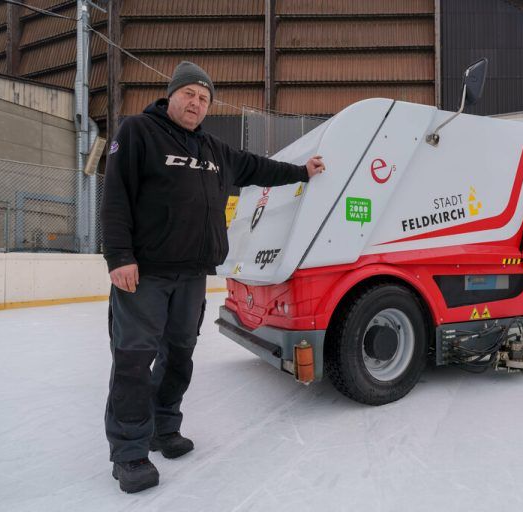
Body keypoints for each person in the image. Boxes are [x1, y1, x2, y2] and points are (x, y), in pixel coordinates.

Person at [101, 61, 325, 493]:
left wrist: (302, 172)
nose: (196, 103)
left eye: (204, 98)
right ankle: (129, 453)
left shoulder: (214, 150)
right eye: (189, 94)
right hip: (145, 273)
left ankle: (164, 427)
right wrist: (119, 257)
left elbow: (259, 167)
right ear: (172, 95)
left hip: (192, 275)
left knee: (179, 357)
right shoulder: (138, 132)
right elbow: (115, 196)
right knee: (133, 361)